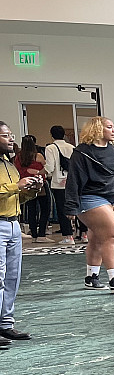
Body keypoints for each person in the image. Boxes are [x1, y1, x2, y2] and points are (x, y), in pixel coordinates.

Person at [63, 117, 114, 292]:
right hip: (91, 198)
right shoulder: (81, 152)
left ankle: (91, 277)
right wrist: (71, 206)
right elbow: (73, 180)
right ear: (97, 129)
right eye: (109, 127)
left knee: (97, 238)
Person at [0, 122, 41, 345]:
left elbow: (16, 197)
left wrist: (31, 190)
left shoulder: (9, 165)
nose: (11, 139)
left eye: (11, 135)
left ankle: (6, 324)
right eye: (5, 135)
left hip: (13, 224)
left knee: (12, 277)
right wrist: (17, 185)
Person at [43, 125, 77, 246]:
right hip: (72, 182)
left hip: (58, 183)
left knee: (63, 210)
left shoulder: (50, 148)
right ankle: (84, 234)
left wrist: (40, 172)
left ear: (51, 135)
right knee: (76, 207)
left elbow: (50, 167)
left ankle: (68, 236)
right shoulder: (72, 147)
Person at [14, 135, 50, 243]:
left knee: (31, 210)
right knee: (45, 209)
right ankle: (41, 234)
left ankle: (33, 234)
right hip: (40, 185)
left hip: (26, 185)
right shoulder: (38, 156)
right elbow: (47, 168)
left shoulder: (18, 157)